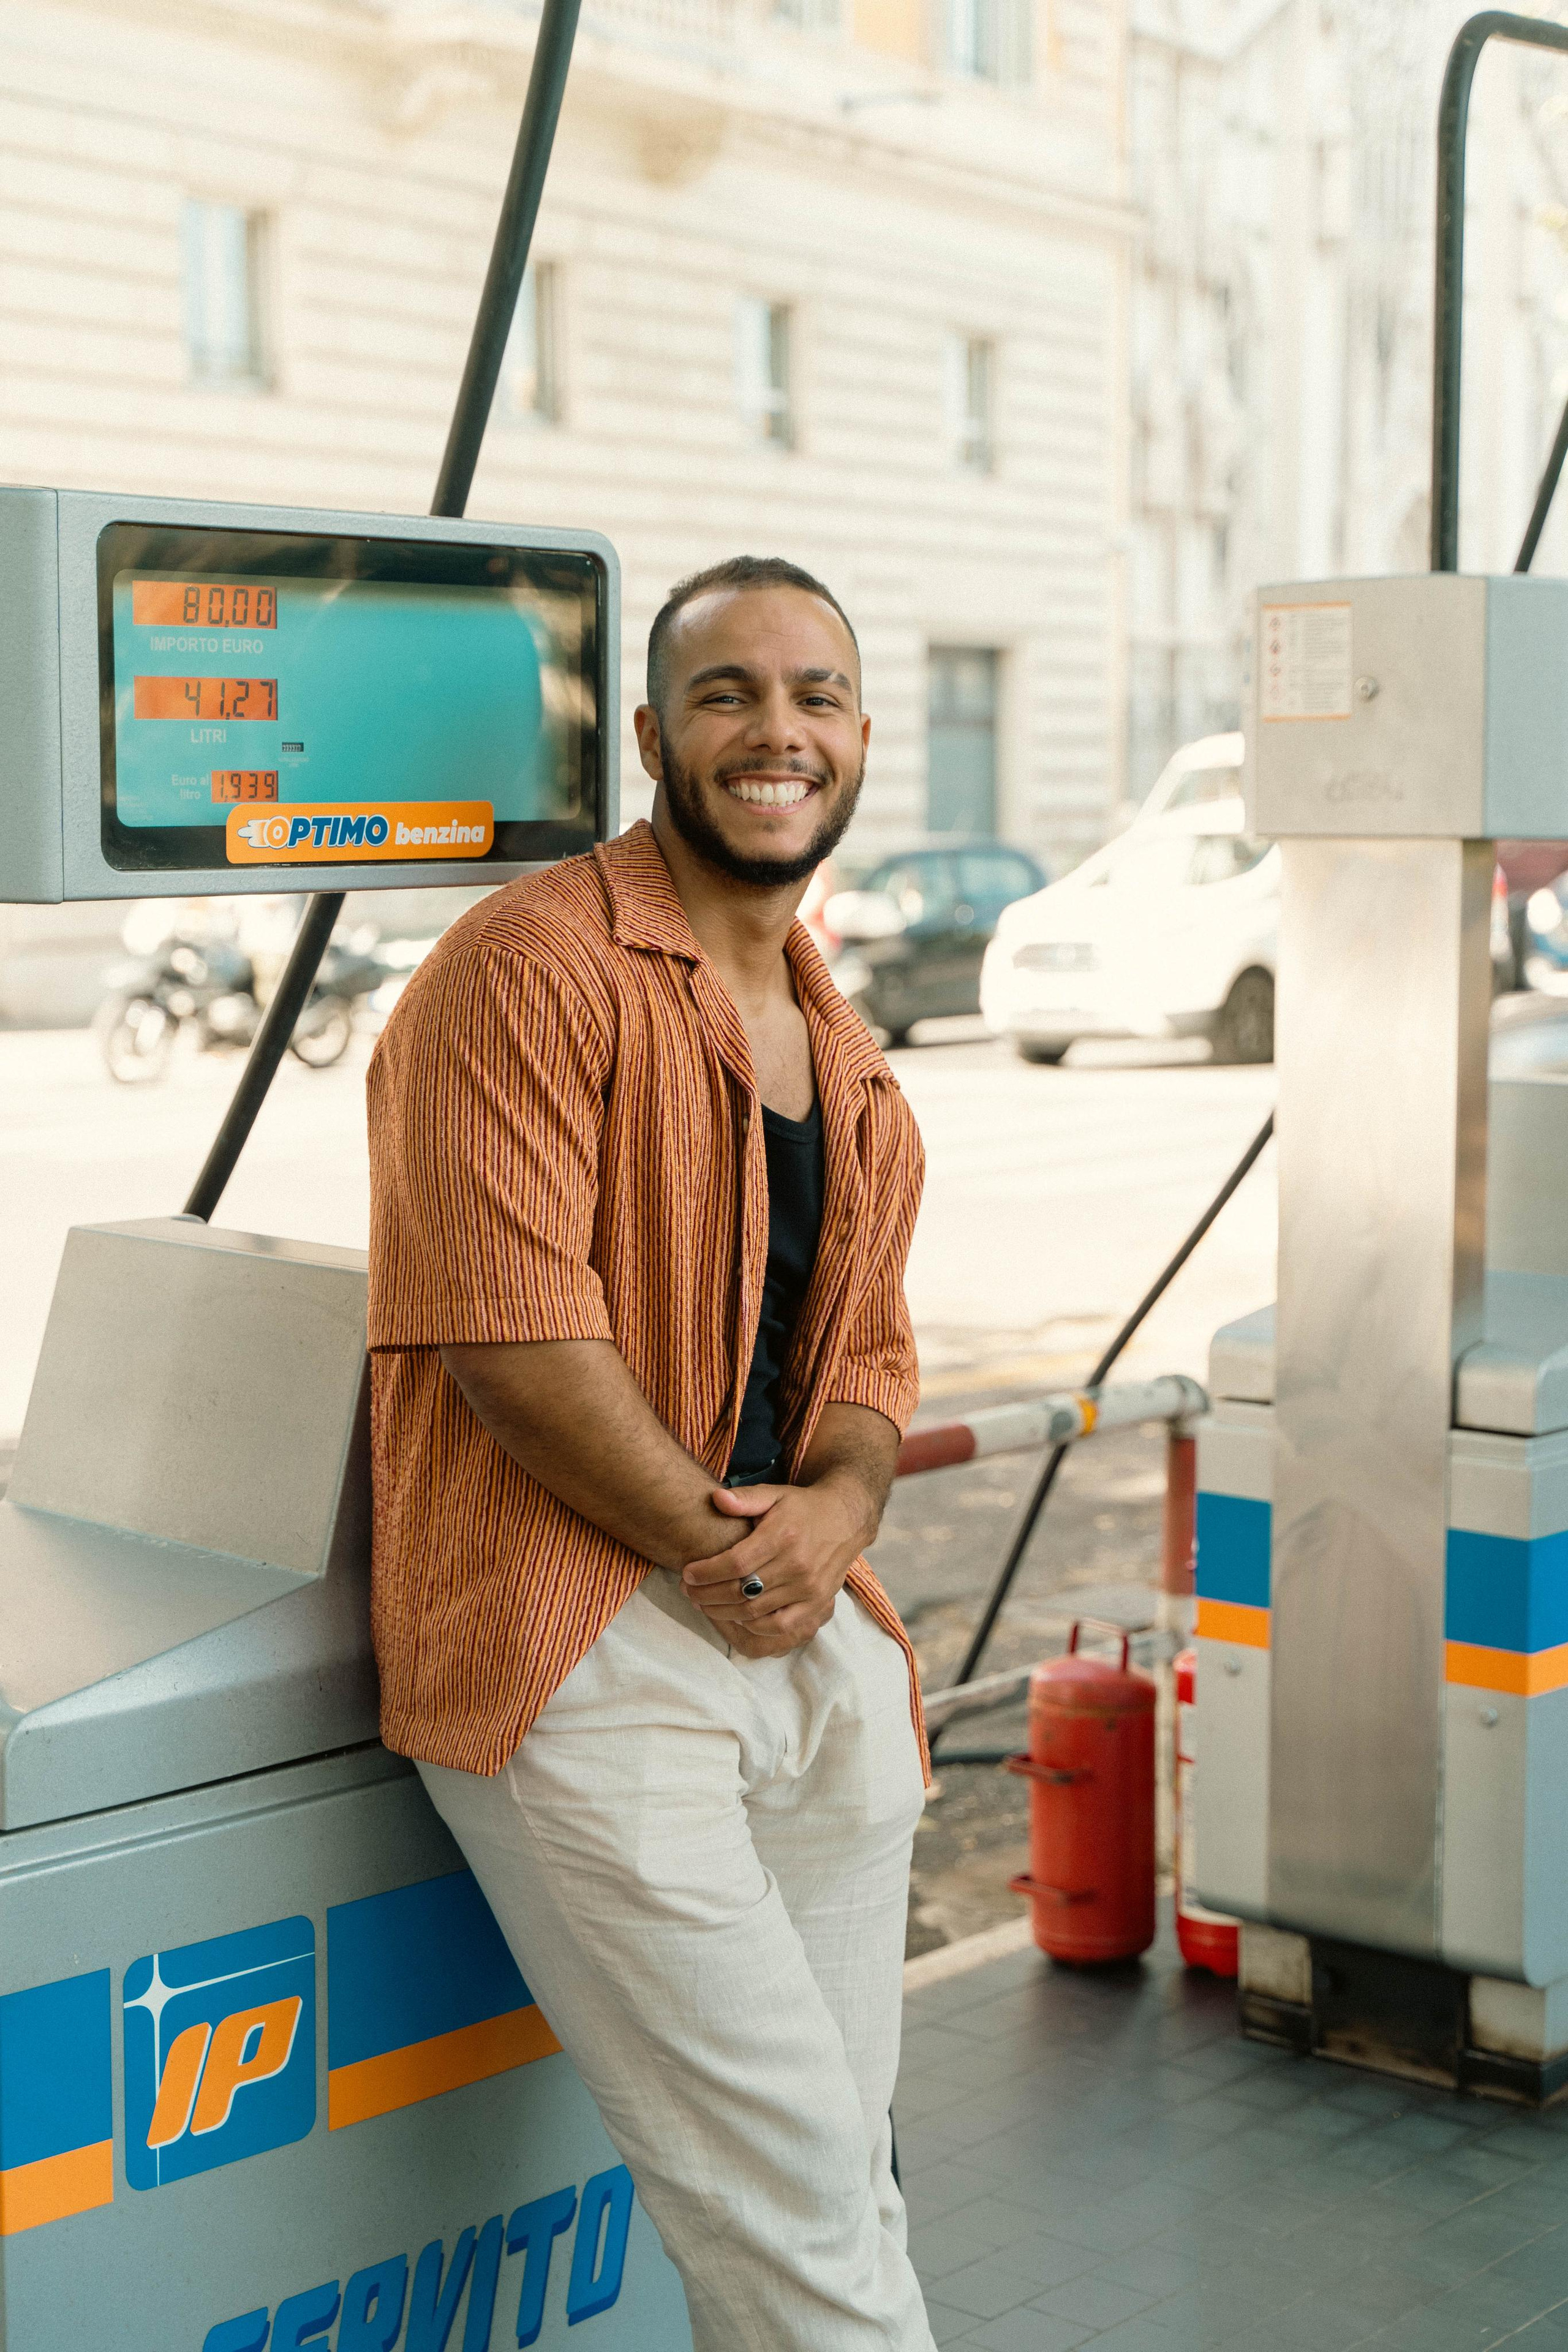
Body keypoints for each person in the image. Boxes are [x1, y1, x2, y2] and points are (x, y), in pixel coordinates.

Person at [366, 554, 934, 2351]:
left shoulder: (847, 1052)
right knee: (791, 2216)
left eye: (816, 697)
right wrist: (733, 1550)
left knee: (841, 2179)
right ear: (649, 738)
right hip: (585, 1641)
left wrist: (835, 1510)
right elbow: (509, 1337)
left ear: (858, 738)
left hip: (811, 1634)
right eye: (728, 695)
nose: (779, 731)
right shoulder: (525, 972)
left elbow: (871, 1359)